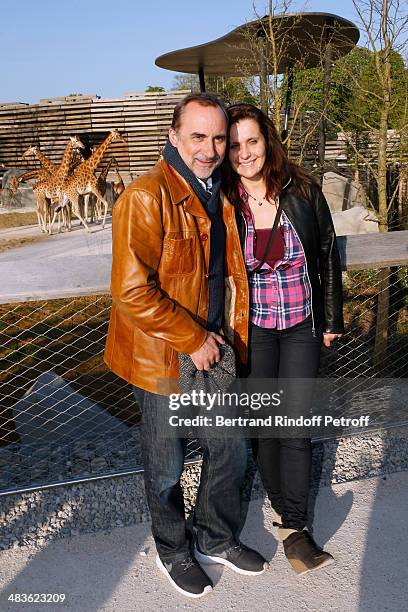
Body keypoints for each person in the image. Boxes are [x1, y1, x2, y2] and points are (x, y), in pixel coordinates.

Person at [104, 93, 268, 599]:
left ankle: (215, 535)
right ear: (174, 137)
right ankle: (173, 549)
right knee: (166, 464)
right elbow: (131, 290)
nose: (211, 148)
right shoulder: (146, 196)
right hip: (163, 353)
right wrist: (192, 337)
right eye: (199, 136)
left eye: (219, 137)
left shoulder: (218, 191)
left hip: (211, 349)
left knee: (231, 450)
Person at [223, 103, 344, 575]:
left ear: (267, 141)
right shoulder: (224, 200)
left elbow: (328, 254)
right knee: (264, 425)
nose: (244, 152)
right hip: (253, 331)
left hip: (301, 326)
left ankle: (296, 528)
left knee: (295, 425)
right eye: (234, 144)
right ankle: (279, 497)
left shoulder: (303, 191)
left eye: (252, 141)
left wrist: (332, 317)